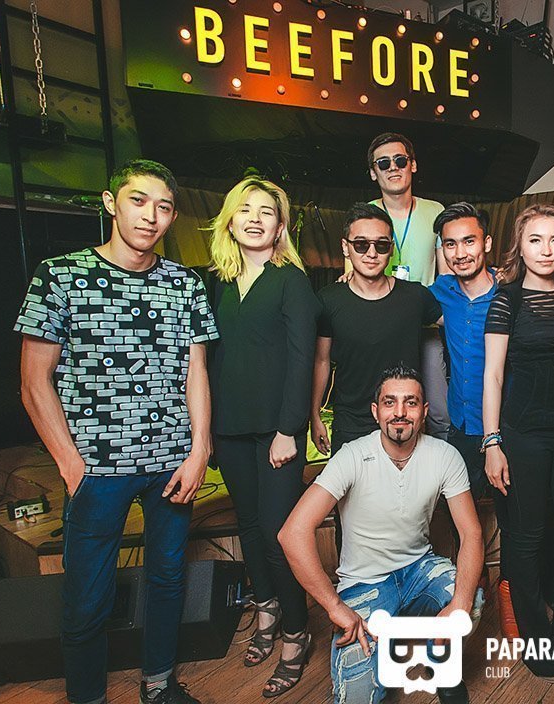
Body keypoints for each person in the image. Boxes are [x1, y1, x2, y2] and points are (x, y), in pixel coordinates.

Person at [16, 159, 217, 704]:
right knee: (88, 595)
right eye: (138, 200)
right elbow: (34, 381)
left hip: (171, 463)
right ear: (111, 203)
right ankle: (88, 696)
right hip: (96, 468)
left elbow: (195, 371)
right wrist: (70, 463)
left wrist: (199, 449)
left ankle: (159, 684)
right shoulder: (61, 275)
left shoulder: (186, 283)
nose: (151, 216)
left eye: (164, 207)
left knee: (168, 579)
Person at [279, 366, 483, 704]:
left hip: (419, 571)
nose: (400, 412)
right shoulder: (352, 456)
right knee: (357, 698)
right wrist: (334, 606)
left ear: (424, 411)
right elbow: (293, 533)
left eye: (410, 402)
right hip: (364, 583)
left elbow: (471, 533)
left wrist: (459, 603)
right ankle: (391, 644)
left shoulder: (444, 456)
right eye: (390, 402)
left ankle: (437, 662)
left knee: (469, 600)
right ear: (376, 412)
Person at [206, 177, 320, 697]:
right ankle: (268, 612)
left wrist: (288, 430)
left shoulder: (291, 281)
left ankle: (297, 631)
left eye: (266, 211)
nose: (255, 218)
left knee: (278, 536)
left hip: (277, 433)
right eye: (245, 209)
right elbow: (208, 360)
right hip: (229, 429)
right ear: (230, 221)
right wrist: (206, 431)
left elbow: (302, 360)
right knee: (250, 529)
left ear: (280, 227)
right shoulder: (218, 283)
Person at [482, 204, 554, 683]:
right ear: (520, 246)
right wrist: (492, 441)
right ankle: (536, 639)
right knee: (525, 540)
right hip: (523, 436)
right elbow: (492, 375)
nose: (546, 250)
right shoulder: (506, 300)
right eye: (535, 240)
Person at [311, 203, 442, 455]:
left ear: (391, 249)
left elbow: (462, 321)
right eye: (361, 244)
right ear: (345, 247)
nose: (371, 253)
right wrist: (315, 415)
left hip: (404, 421)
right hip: (351, 423)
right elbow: (321, 360)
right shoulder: (329, 300)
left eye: (381, 245)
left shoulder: (416, 297)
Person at [362, 132, 451, 439]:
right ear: (373, 172)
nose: (393, 168)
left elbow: (446, 275)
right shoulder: (366, 212)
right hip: (381, 327)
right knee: (384, 409)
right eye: (383, 163)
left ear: (413, 165)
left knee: (438, 412)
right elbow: (355, 271)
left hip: (427, 327)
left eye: (400, 160)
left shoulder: (435, 210)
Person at [428, 202, 498, 493]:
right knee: (460, 510)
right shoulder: (441, 291)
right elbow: (396, 299)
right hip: (461, 426)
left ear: (486, 243)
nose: (460, 253)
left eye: (469, 241)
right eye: (450, 244)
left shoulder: (508, 293)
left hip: (504, 429)